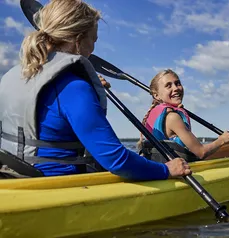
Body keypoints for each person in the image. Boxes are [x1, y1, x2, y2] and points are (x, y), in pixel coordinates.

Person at [0, 0, 191, 180]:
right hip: (54, 183)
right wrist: (166, 169)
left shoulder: (13, 76)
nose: (92, 50)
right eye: (93, 40)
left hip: (13, 175)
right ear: (78, 40)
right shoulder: (74, 88)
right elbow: (116, 160)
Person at [139, 69, 229, 161]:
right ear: (156, 95)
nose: (176, 88)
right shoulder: (173, 117)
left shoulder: (154, 114)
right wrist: (222, 140)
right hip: (177, 173)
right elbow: (201, 152)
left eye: (177, 83)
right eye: (168, 86)